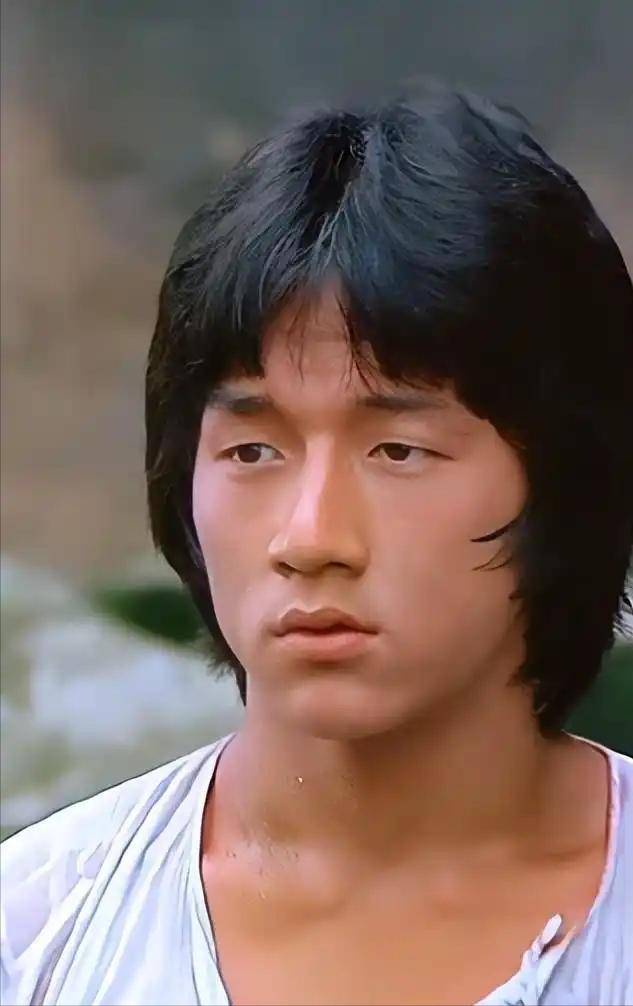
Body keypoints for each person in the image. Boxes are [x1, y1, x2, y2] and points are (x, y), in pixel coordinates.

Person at [1, 82, 632, 1006]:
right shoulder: (40, 937)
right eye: (252, 451)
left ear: (566, 476)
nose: (310, 538)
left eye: (398, 450)